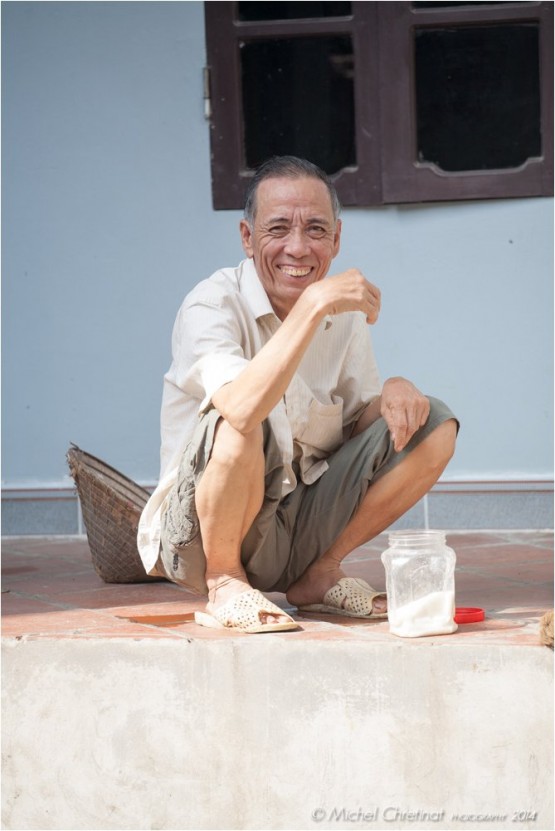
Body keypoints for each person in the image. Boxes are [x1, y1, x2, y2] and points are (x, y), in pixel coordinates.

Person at [138, 156, 458, 633]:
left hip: (297, 525)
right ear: (247, 237)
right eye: (278, 228)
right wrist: (312, 304)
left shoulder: (342, 314)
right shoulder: (211, 304)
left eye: (315, 229)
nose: (298, 247)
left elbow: (356, 423)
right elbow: (243, 406)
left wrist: (396, 390)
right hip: (203, 540)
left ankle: (319, 573)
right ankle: (226, 583)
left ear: (336, 238)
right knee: (242, 417)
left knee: (433, 423)